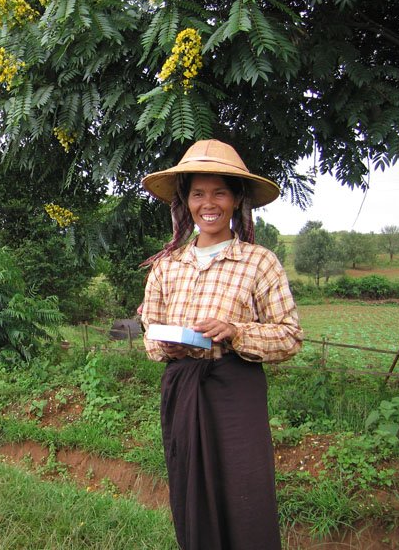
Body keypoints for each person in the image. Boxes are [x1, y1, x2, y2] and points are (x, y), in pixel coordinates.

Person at [139, 139, 303, 550]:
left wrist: (236, 331)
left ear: (236, 200)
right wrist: (166, 346)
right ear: (186, 202)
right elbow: (150, 333)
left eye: (219, 192)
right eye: (198, 193)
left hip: (235, 388)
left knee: (245, 491)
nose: (207, 204)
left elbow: (290, 335)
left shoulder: (259, 262)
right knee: (191, 489)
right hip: (182, 388)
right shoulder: (167, 266)